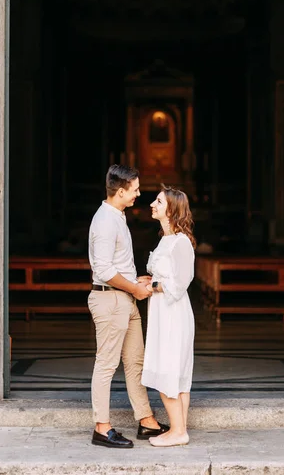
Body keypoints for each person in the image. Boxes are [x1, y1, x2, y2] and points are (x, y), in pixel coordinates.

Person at [88, 164, 169, 449]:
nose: (138, 194)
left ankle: (146, 421)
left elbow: (116, 266)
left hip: (125, 297)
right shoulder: (105, 221)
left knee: (135, 362)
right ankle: (102, 427)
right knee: (106, 364)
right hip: (110, 299)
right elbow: (103, 269)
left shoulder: (117, 216)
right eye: (134, 190)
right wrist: (134, 287)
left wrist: (135, 280)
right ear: (120, 191)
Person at [141, 184, 196, 447]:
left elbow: (180, 283)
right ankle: (180, 428)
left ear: (172, 210)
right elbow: (165, 276)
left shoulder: (181, 242)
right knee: (174, 371)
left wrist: (151, 287)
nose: (153, 204)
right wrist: (147, 280)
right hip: (161, 312)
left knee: (169, 369)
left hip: (174, 313)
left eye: (159, 202)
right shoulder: (165, 239)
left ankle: (177, 431)